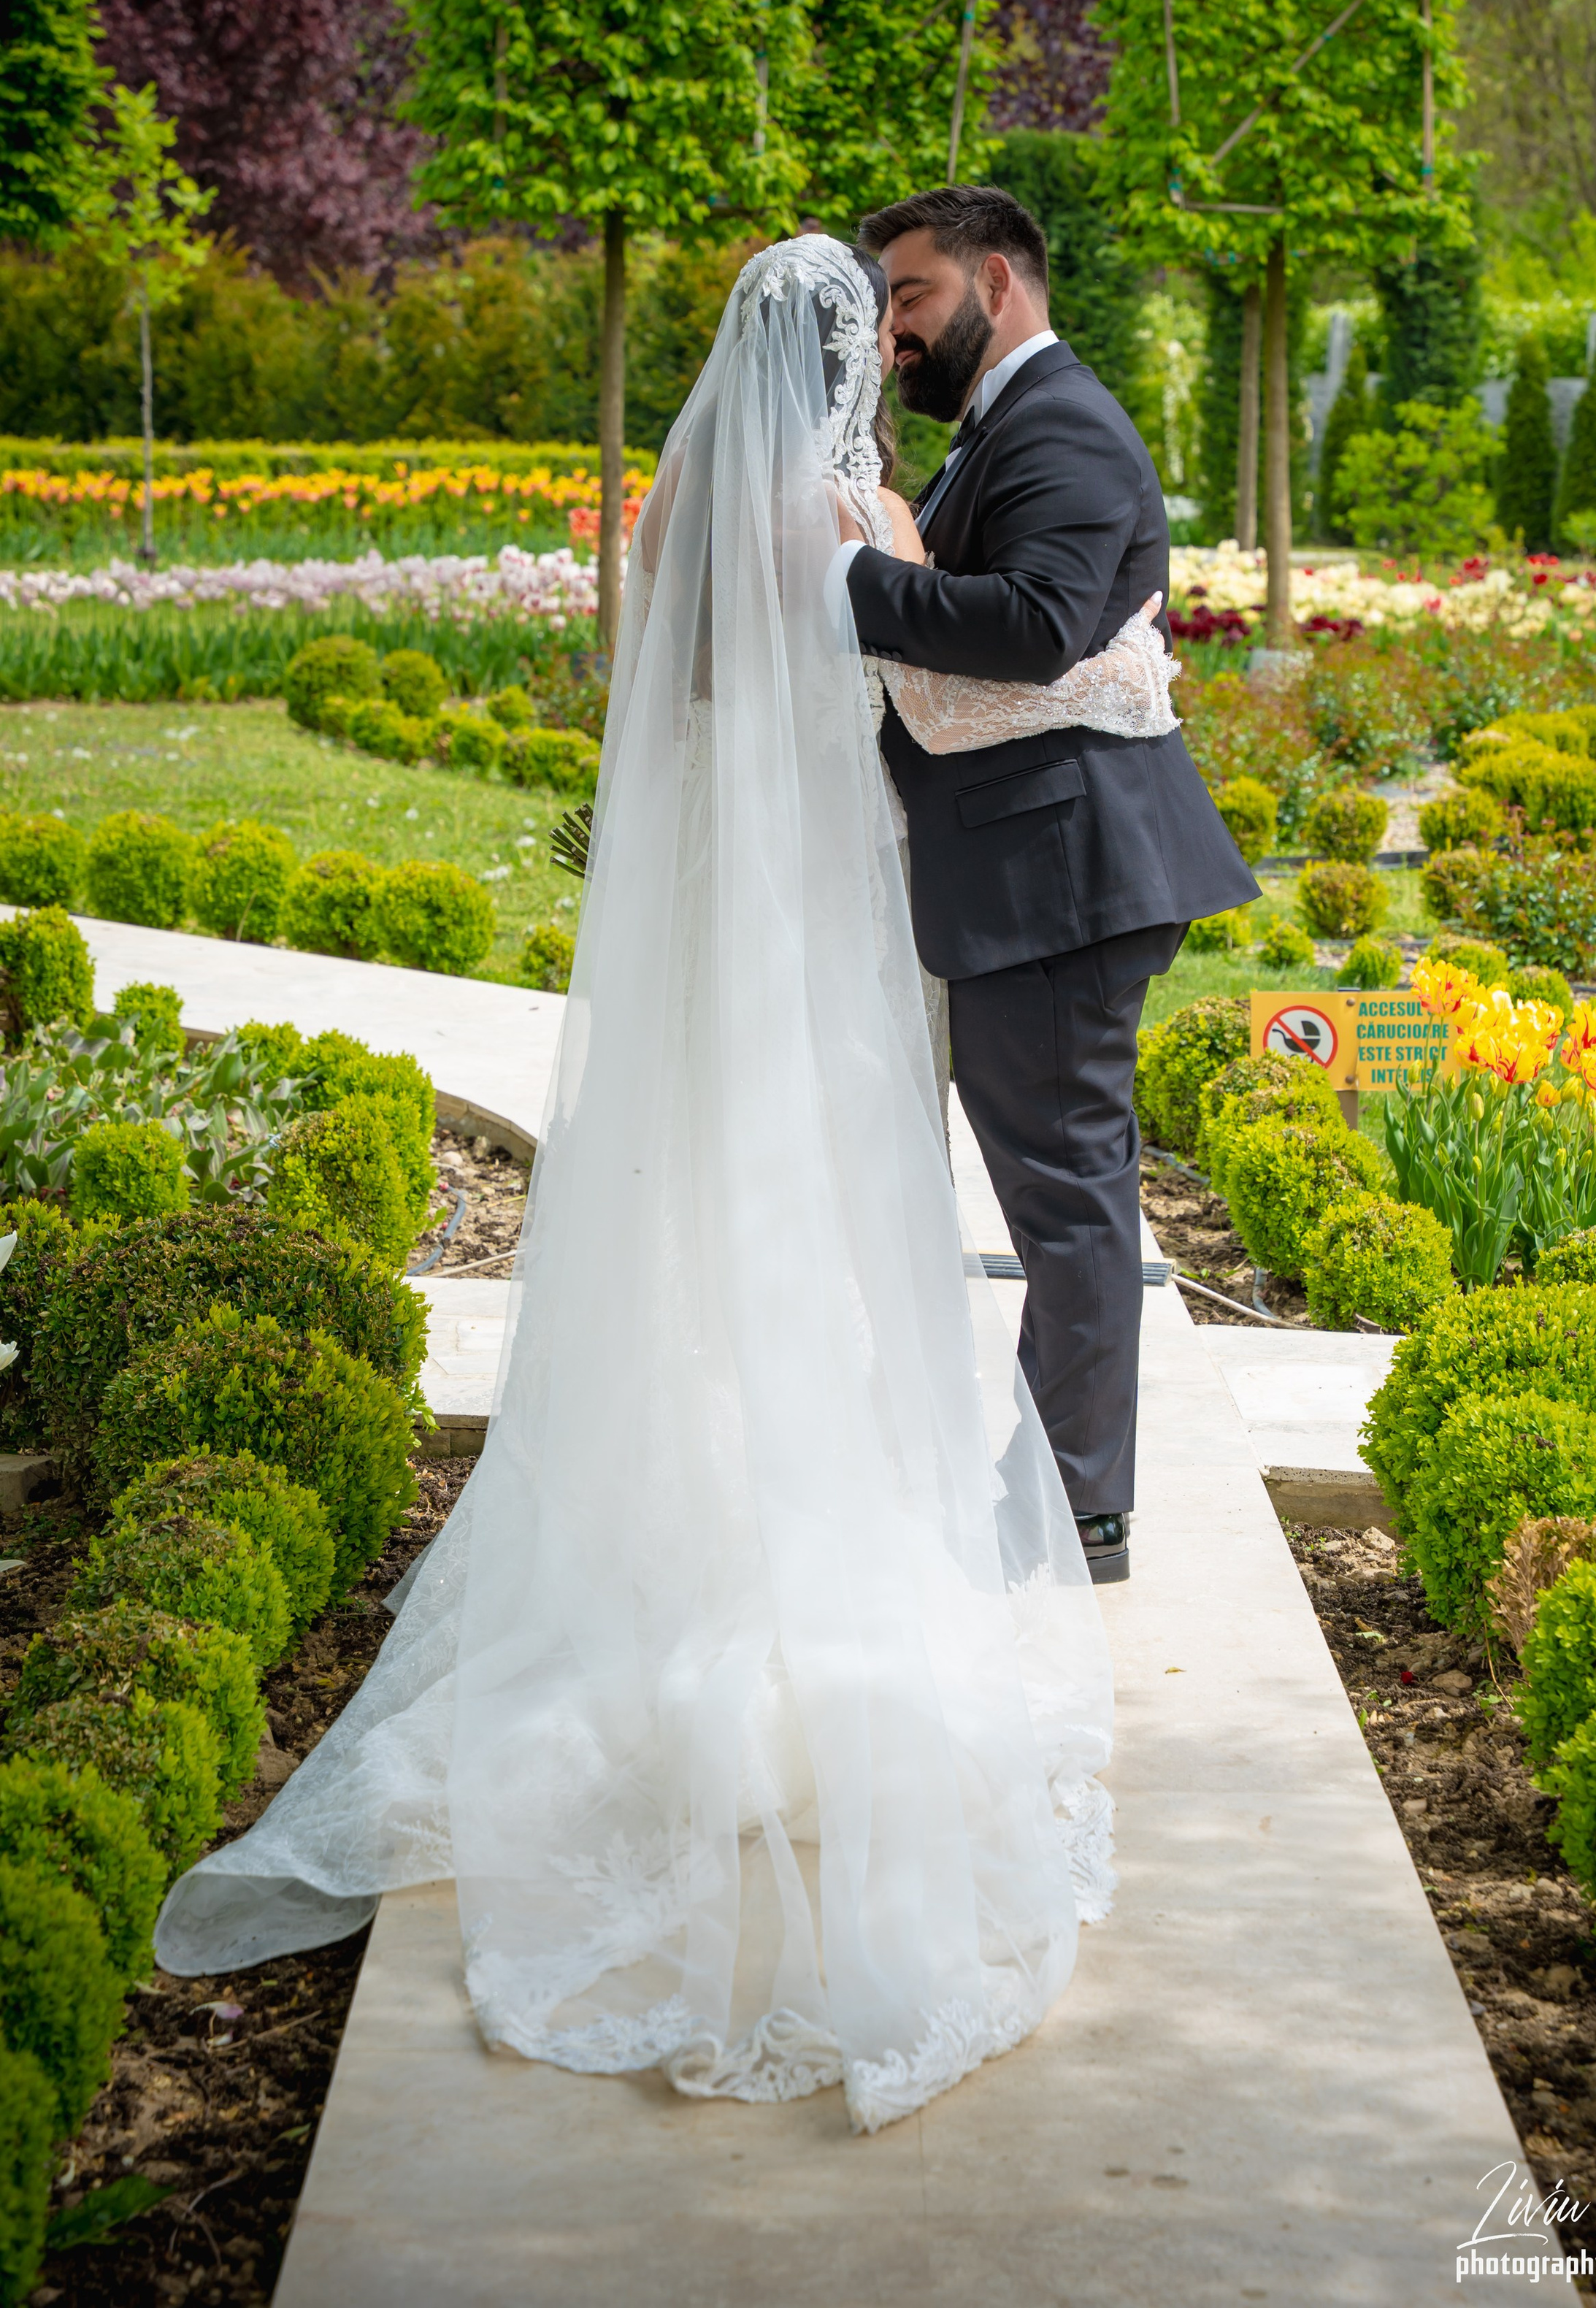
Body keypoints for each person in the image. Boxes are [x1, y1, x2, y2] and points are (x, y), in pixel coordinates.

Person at [155, 237, 1147, 2136]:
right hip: (827, 905)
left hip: (694, 896)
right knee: (833, 1228)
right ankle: (798, 1558)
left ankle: (667, 1544)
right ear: (854, 358)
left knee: (686, 1220)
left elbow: (670, 679)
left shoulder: (683, 483)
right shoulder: (859, 502)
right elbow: (931, 687)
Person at [837, 186, 1260, 1588]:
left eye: (910, 295)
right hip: (1022, 865)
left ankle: (1079, 1515)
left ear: (997, 278)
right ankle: (1056, 1494)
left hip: (1065, 873)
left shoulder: (1063, 422)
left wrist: (848, 575)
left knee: (1067, 1194)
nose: (893, 330)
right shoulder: (1002, 429)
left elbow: (1035, 627)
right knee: (1059, 1183)